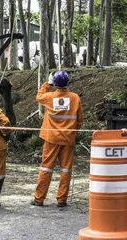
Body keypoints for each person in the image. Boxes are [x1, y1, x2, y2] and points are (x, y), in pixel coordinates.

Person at [31, 70, 83, 207]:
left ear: (55, 83)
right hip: (68, 139)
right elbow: (79, 120)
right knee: (66, 169)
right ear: (68, 82)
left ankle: (39, 198)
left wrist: (48, 84)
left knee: (46, 168)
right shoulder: (75, 98)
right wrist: (72, 133)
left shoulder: (50, 97)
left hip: (51, 139)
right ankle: (62, 199)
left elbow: (39, 96)